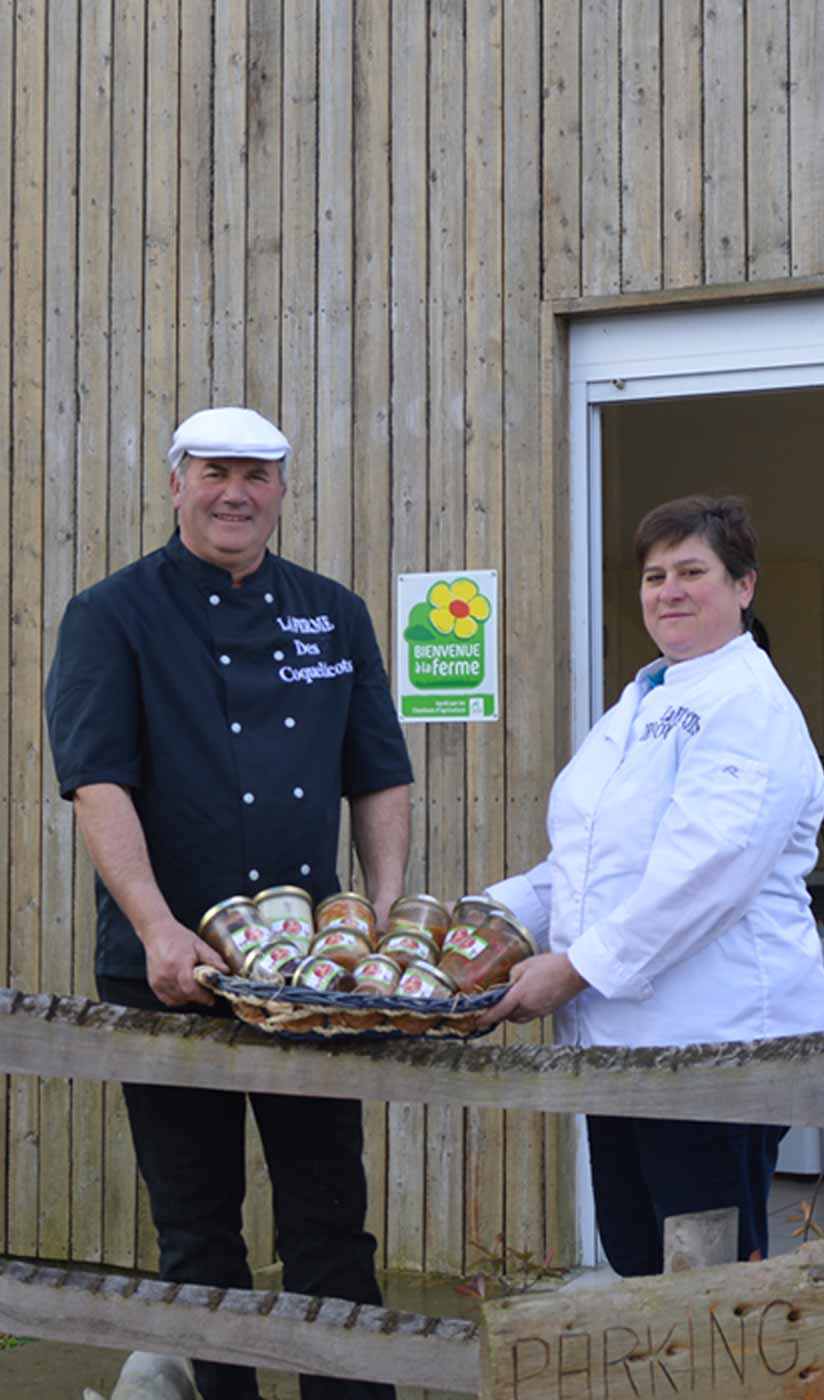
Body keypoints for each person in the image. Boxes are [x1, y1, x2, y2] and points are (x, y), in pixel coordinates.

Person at [46, 407, 412, 1400]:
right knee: (198, 1221)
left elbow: (377, 771)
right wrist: (158, 924)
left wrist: (375, 913)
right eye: (215, 471)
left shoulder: (332, 612)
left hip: (310, 972)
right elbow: (98, 781)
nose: (235, 492)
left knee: (329, 1216)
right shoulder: (111, 613)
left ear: (283, 489)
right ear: (176, 482)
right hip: (165, 969)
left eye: (256, 473)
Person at [480, 494, 824, 1276]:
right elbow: (589, 858)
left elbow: (703, 877)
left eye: (691, 572)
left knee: (707, 1288)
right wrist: (487, 922)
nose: (668, 591)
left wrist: (570, 969)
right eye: (653, 576)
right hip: (622, 1047)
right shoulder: (644, 701)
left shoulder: (747, 705)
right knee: (640, 1265)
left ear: (744, 586)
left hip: (712, 1050)